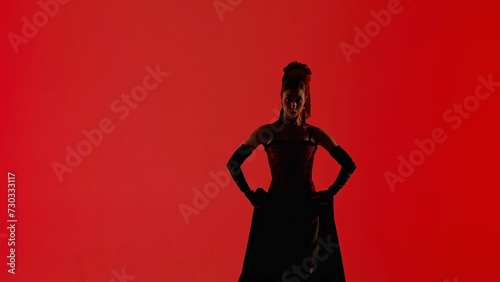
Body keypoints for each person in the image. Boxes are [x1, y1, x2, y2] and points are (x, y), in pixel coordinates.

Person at [226, 61, 356, 282]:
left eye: (298, 100)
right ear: (281, 99)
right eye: (288, 100)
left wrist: (330, 193)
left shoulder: (313, 134)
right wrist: (249, 195)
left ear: (305, 101)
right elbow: (233, 163)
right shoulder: (266, 133)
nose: (293, 105)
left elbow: (349, 165)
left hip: (307, 211)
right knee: (272, 269)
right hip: (275, 209)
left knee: (305, 271)